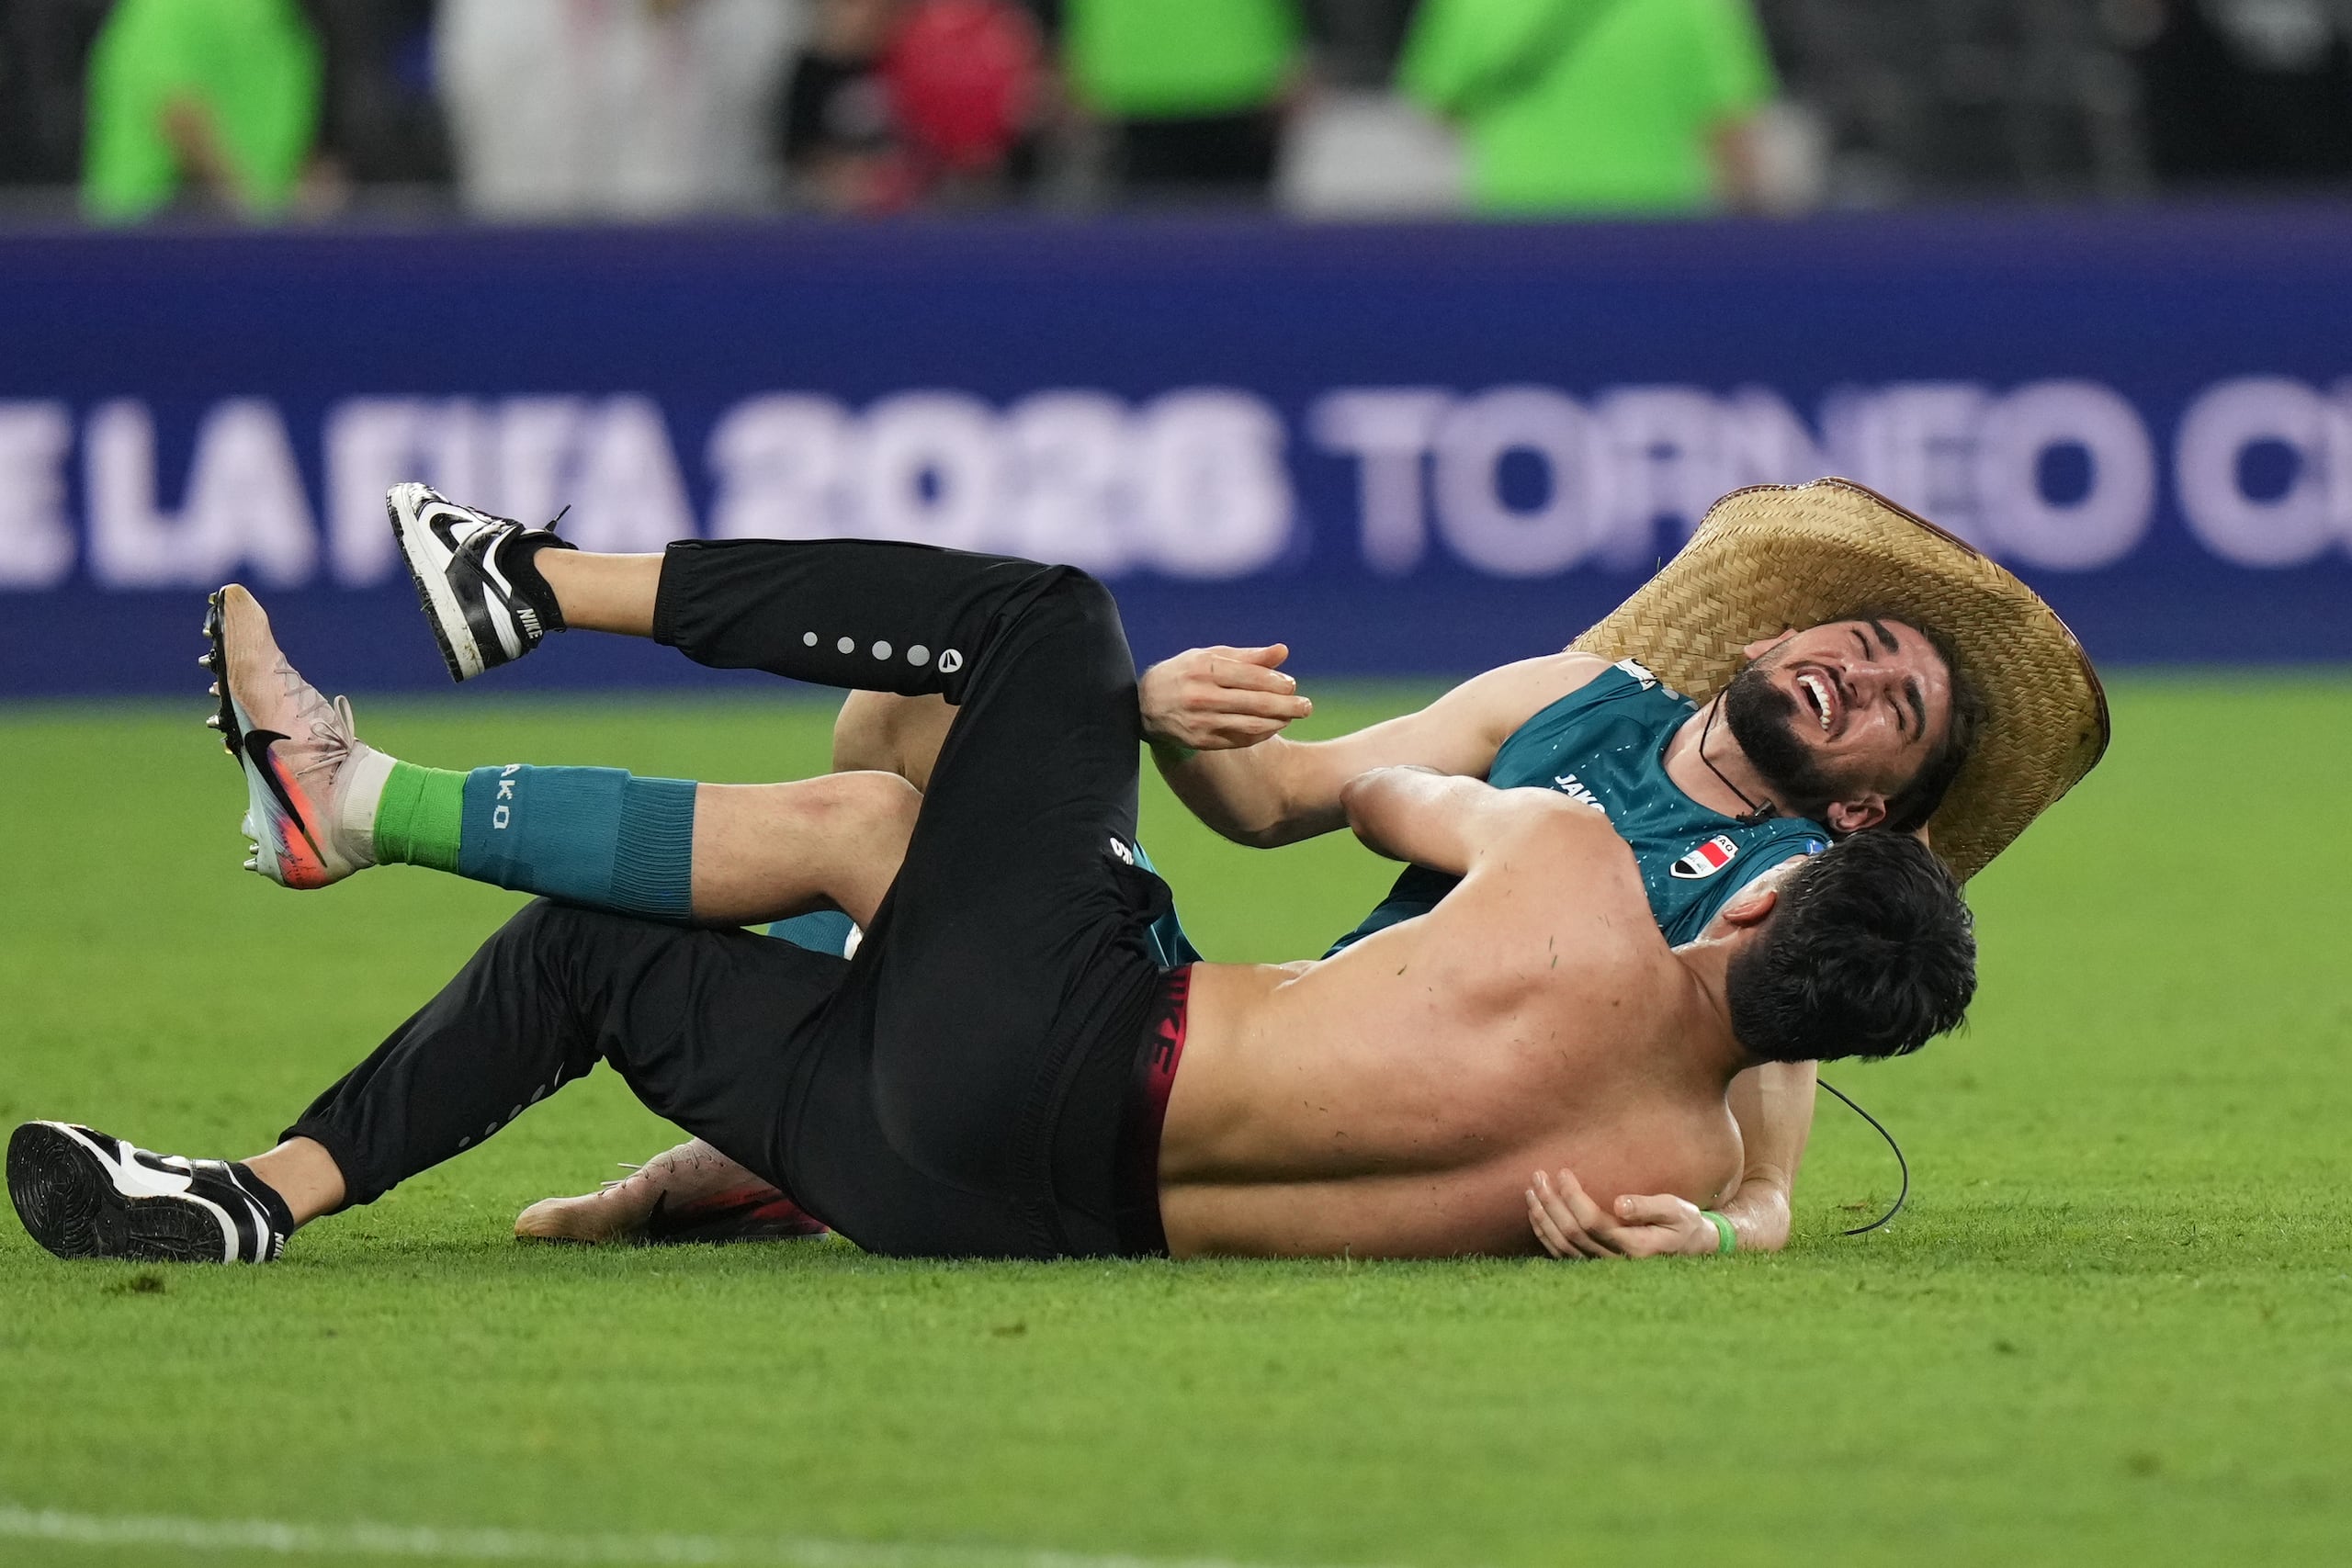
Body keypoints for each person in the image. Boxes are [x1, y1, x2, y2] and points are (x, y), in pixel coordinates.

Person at [6, 521, 1977, 1268]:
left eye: (1890, 703)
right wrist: (1697, 1247)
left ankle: (510, 614)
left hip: (1105, 1038)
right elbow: (1747, 1192)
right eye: (1865, 643)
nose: (1850, 677)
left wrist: (1138, 716)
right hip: (991, 1208)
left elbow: (1357, 800)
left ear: (1871, 818)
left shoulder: (1576, 853)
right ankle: (256, 1193)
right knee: (727, 884)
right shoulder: (1655, 1105)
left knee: (1035, 633)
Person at [1397, 0, 1779, 216]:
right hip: (1655, 238)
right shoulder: (1698, 7)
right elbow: (1731, 138)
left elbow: (1438, 110)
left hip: (1516, 233)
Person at [81, 0, 323, 223]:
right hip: (154, 222)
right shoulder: (173, 8)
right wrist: (244, 203)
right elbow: (176, 109)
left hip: (255, 225)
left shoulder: (283, 16)